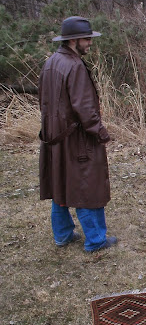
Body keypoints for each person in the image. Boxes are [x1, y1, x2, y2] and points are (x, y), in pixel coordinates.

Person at [39, 16, 117, 252]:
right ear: (74, 40)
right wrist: (100, 133)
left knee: (60, 181)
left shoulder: (51, 62)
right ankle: (96, 240)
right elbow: (85, 109)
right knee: (87, 184)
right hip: (76, 139)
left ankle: (62, 235)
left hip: (56, 138)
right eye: (87, 39)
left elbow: (44, 102)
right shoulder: (74, 66)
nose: (90, 43)